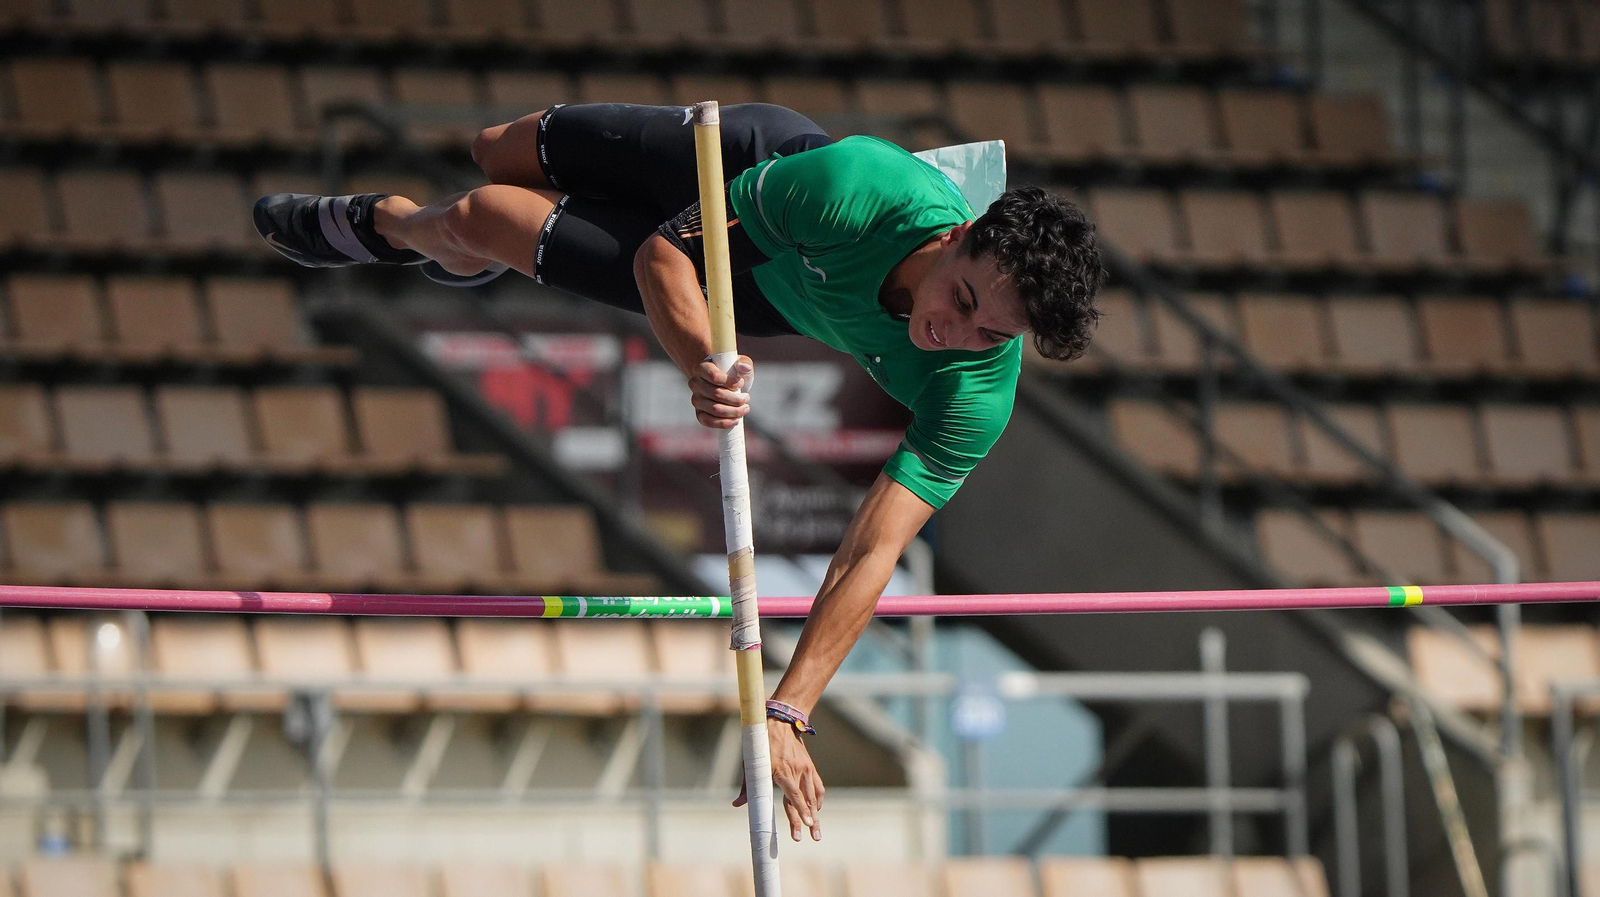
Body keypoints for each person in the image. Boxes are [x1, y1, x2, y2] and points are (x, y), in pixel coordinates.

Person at [253, 101, 1104, 845]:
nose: (957, 334)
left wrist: (787, 710)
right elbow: (667, 253)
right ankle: (424, 236)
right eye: (960, 300)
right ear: (954, 235)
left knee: (481, 217)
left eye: (992, 332)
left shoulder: (974, 392)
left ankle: (393, 225)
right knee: (493, 150)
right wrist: (705, 363)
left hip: (764, 282)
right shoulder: (856, 186)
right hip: (748, 172)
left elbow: (869, 552)